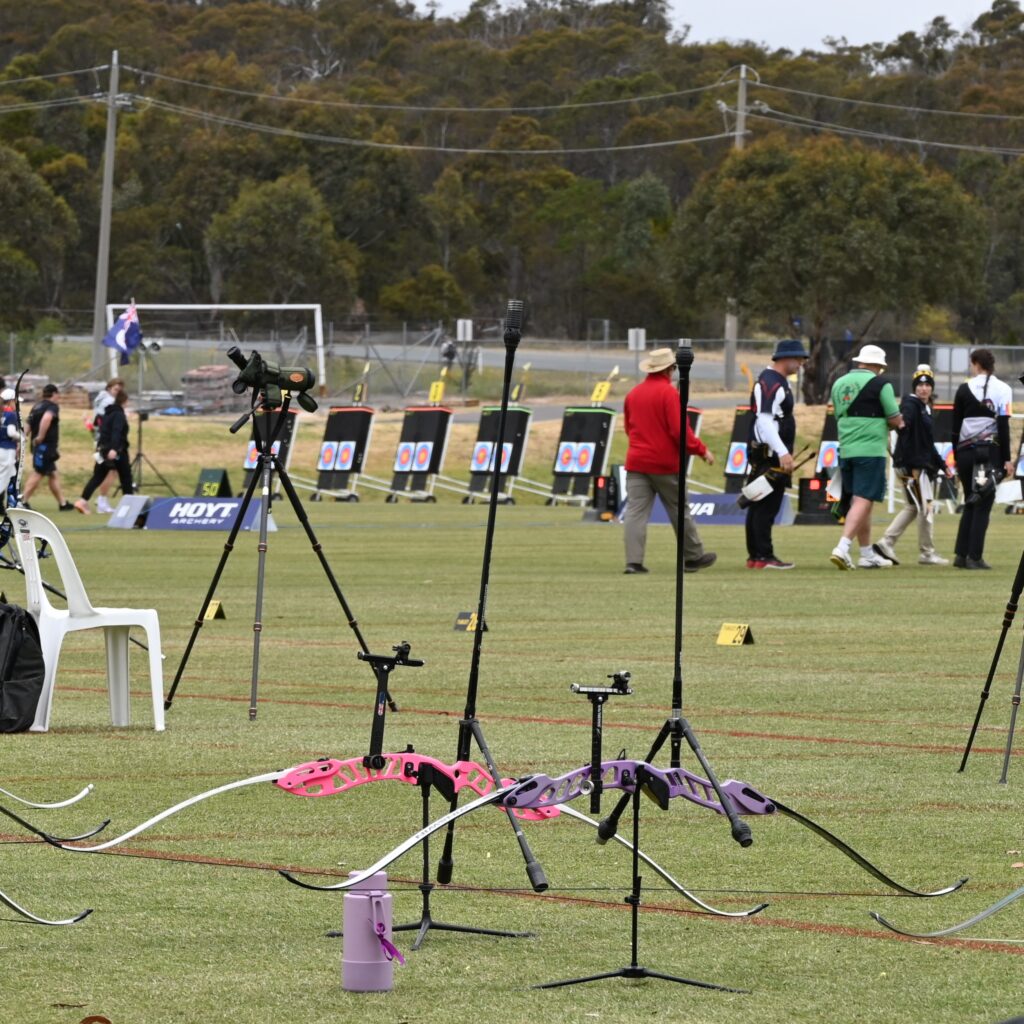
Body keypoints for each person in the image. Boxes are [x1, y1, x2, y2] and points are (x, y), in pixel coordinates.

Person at [622, 347, 717, 575]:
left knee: (635, 513)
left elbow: (628, 428)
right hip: (664, 464)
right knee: (679, 510)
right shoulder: (669, 394)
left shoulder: (633, 394)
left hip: (636, 462)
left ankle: (633, 562)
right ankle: (693, 556)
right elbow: (679, 431)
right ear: (670, 369)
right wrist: (701, 450)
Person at [829, 344, 904, 570]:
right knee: (864, 499)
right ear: (878, 366)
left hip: (846, 447)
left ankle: (866, 554)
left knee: (860, 501)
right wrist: (900, 422)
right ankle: (842, 547)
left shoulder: (838, 383)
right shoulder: (881, 384)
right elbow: (894, 417)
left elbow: (838, 415)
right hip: (871, 448)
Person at [872, 365, 950, 567]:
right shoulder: (911, 405)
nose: (924, 388)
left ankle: (887, 542)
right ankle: (925, 552)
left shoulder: (924, 408)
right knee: (925, 507)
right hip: (913, 466)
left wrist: (942, 464)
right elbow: (903, 425)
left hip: (915, 464)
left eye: (927, 385)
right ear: (915, 387)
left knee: (914, 507)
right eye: (920, 385)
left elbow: (927, 442)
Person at [745, 339, 809, 569]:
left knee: (757, 501)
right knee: (766, 505)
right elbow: (765, 420)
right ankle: (763, 556)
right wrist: (782, 452)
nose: (801, 363)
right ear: (786, 358)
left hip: (765, 451)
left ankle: (756, 556)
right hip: (770, 454)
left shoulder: (774, 380)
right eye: (799, 358)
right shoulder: (772, 382)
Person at [950, 348, 1014, 570]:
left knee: (970, 498)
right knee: (983, 502)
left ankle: (961, 554)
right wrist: (1006, 459)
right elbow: (1004, 427)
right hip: (986, 456)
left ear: (976, 363)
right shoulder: (1003, 389)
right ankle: (974, 557)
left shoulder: (962, 388)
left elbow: (955, 427)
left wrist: (956, 456)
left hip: (965, 454)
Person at [75, 389, 133, 514]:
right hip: (117, 451)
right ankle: (129, 507)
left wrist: (103, 449)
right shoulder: (119, 415)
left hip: (103, 449)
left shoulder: (108, 413)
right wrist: (115, 449)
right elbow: (116, 432)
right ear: (124, 401)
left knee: (97, 477)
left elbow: (101, 431)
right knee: (126, 478)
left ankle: (82, 501)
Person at [22, 384, 72, 511]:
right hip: (45, 446)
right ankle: (22, 501)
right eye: (58, 394)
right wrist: (40, 436)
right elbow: (47, 418)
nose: (58, 397)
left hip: (39, 447)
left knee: (52, 474)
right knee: (39, 472)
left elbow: (28, 423)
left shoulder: (36, 406)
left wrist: (23, 438)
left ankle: (63, 504)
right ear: (54, 394)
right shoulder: (52, 406)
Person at [86, 377, 125, 514]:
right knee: (109, 471)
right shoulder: (109, 402)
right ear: (109, 388)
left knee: (101, 472)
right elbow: (104, 421)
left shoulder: (100, 398)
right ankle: (101, 500)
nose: (117, 392)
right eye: (115, 389)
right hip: (106, 441)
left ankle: (93, 500)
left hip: (100, 438)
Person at [0, 387, 20, 509]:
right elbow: (11, 432)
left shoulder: (2, 414)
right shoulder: (11, 415)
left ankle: (12, 502)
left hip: (1, 449)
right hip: (8, 449)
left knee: (11, 473)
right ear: (11, 401)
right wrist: (21, 438)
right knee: (5, 477)